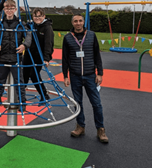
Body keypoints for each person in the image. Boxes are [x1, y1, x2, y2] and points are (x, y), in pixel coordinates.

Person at [62, 14, 108, 143]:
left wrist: (100, 73)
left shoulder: (91, 35)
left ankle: (101, 129)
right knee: (78, 103)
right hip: (75, 75)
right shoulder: (67, 38)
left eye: (80, 21)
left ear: (83, 22)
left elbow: (97, 55)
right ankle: (80, 126)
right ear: (72, 23)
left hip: (90, 75)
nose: (78, 23)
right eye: (75, 21)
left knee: (96, 103)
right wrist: (65, 75)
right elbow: (65, 58)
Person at [0, 0, 31, 111]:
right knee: (0, 80)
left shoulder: (20, 23)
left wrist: (24, 45)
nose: (9, 10)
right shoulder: (0, 23)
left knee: (19, 81)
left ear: (15, 9)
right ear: (4, 9)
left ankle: (22, 102)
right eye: (7, 8)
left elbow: (28, 35)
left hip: (15, 57)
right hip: (3, 56)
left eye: (11, 8)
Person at [22, 8, 54, 103]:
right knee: (24, 75)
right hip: (29, 53)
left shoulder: (47, 27)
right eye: (35, 16)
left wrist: (46, 58)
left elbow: (48, 43)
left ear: (43, 16)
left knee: (34, 75)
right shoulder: (32, 25)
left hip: (39, 55)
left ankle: (44, 95)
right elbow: (21, 22)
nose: (37, 18)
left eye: (40, 16)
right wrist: (21, 11)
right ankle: (21, 96)